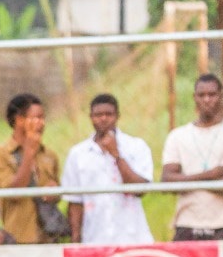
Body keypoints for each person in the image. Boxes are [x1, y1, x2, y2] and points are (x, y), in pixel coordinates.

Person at [161, 74, 223, 242]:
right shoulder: (178, 136)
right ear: (194, 98)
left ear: (221, 97)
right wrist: (211, 175)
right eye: (201, 95)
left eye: (212, 95)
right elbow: (167, 181)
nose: (207, 100)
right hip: (187, 222)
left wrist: (187, 181)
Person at [61, 93, 155, 246]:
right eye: (98, 115)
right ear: (91, 117)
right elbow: (75, 202)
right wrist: (75, 240)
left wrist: (116, 154)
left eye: (108, 114)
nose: (103, 119)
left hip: (132, 238)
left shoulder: (136, 147)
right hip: (94, 238)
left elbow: (140, 189)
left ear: (117, 116)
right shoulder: (78, 154)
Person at [0, 92, 63, 244]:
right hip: (18, 238)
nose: (41, 123)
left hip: (48, 237)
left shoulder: (49, 155)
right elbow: (15, 193)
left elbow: (58, 194)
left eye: (43, 118)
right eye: (36, 118)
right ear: (19, 120)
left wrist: (54, 191)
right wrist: (29, 152)